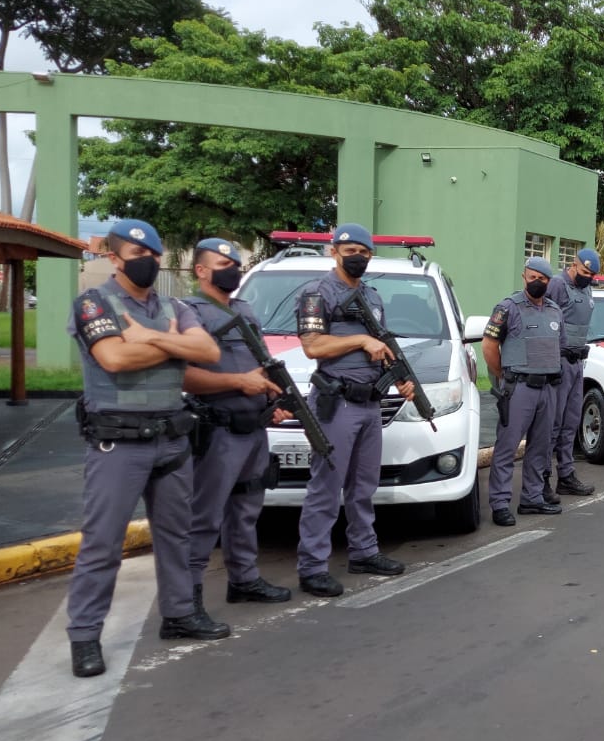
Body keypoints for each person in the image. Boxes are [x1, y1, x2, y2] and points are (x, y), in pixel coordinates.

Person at [64, 218, 225, 678]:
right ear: (114, 259)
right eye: (137, 256)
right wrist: (177, 345)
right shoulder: (94, 303)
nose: (148, 263)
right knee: (102, 543)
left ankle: (179, 614)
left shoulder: (171, 304)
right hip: (119, 443)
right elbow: (114, 358)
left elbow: (208, 351)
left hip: (171, 441)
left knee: (176, 535)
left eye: (153, 255)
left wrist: (148, 336)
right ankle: (85, 636)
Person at [294, 224, 416, 598]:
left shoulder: (373, 296)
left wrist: (400, 378)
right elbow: (312, 346)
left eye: (364, 251)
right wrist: (360, 338)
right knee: (326, 488)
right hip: (337, 403)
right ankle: (312, 567)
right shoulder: (317, 293)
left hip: (369, 404)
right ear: (334, 251)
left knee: (364, 487)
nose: (358, 256)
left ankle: (363, 551)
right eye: (351, 250)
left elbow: (380, 345)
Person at [180, 239, 293, 623]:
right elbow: (185, 376)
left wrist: (270, 404)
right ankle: (187, 600)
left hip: (252, 428)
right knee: (204, 516)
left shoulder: (244, 309)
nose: (232, 267)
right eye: (222, 263)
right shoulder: (189, 313)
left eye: (235, 262)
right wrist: (239, 383)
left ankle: (244, 580)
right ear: (201, 271)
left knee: (247, 509)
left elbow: (259, 365)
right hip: (217, 431)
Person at [485, 257, 566, 525]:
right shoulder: (508, 308)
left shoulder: (555, 310)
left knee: (541, 448)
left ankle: (532, 499)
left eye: (542, 279)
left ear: (549, 282)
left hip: (548, 389)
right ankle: (499, 503)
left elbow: (559, 346)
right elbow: (489, 345)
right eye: (532, 277)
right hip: (519, 387)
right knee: (507, 446)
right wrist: (501, 376)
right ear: (524, 277)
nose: (536, 283)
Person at [545, 247, 600, 501]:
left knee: (570, 423)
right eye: (584, 271)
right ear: (573, 265)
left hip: (577, 362)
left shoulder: (586, 288)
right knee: (552, 425)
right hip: (559, 362)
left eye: (591, 274)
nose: (587, 276)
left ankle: (565, 476)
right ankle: (542, 479)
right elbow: (545, 320)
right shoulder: (557, 285)